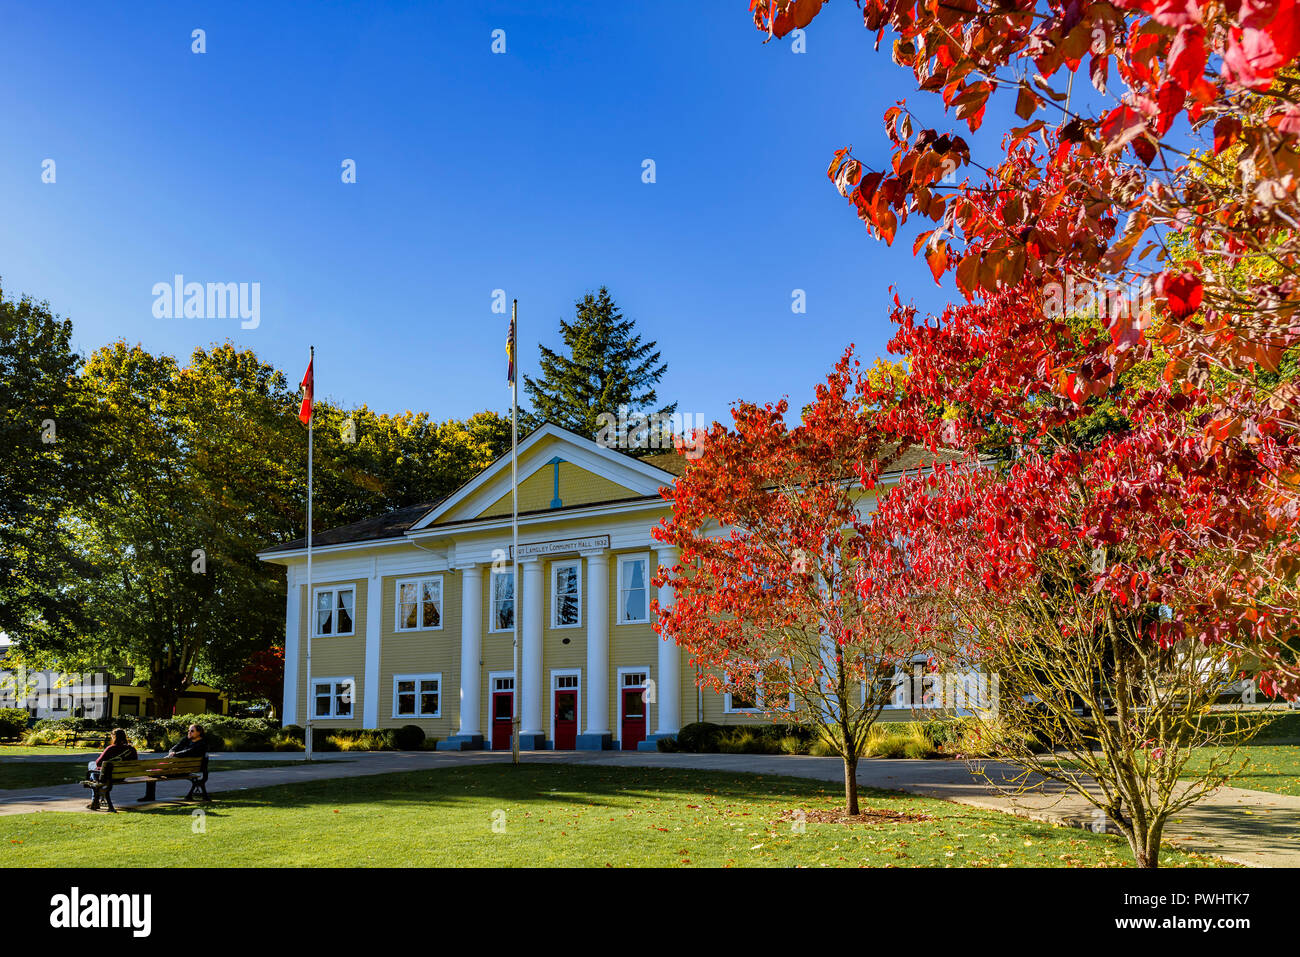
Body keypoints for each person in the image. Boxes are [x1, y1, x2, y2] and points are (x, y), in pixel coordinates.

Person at [86, 729, 138, 810]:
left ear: (114, 737)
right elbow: (135, 763)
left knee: (91, 765)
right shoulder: (132, 749)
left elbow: (98, 763)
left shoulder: (111, 748)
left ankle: (95, 801)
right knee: (95, 775)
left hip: (108, 777)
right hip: (121, 776)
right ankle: (95, 800)